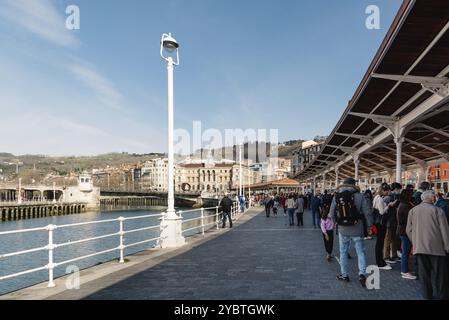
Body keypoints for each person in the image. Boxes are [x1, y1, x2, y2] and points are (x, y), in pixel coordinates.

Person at [329, 177, 373, 287]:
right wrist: (369, 227)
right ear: (354, 184)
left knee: (343, 252)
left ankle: (344, 274)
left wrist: (335, 223)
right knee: (360, 252)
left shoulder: (337, 196)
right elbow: (367, 213)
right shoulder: (361, 196)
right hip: (357, 228)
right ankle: (362, 274)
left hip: (343, 229)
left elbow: (331, 212)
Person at [406, 190, 449, 300]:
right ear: (432, 198)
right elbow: (445, 231)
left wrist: (415, 242)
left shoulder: (413, 210)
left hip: (420, 248)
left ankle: (427, 296)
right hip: (437, 248)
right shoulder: (438, 211)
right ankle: (441, 296)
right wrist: (447, 247)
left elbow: (408, 230)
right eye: (434, 197)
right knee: (440, 275)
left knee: (424, 275)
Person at [397, 188, 417, 280]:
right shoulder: (406, 206)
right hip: (405, 231)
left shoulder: (403, 204)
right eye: (411, 194)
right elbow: (408, 220)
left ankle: (405, 270)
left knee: (406, 251)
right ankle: (404, 271)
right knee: (406, 251)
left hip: (403, 230)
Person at [372, 183, 393, 270]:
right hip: (380, 223)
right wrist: (388, 206)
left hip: (377, 223)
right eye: (387, 191)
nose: (387, 193)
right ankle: (380, 263)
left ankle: (380, 261)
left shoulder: (376, 197)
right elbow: (381, 212)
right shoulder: (380, 199)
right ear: (384, 190)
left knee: (379, 243)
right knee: (380, 243)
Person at [384, 183, 401, 264]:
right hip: (389, 222)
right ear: (395, 189)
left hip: (394, 221)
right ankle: (386, 256)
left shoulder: (395, 197)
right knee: (388, 239)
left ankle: (394, 255)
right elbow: (385, 210)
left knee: (394, 239)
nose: (399, 191)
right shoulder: (388, 197)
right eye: (398, 189)